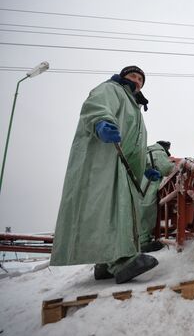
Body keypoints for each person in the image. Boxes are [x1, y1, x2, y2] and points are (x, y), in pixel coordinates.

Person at [51, 65, 162, 284]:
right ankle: (122, 261)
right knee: (109, 210)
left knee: (111, 212)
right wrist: (101, 122)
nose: (137, 80)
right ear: (123, 77)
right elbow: (95, 106)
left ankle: (103, 264)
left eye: (140, 78)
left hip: (122, 165)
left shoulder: (136, 109)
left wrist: (144, 169)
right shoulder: (112, 89)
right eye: (133, 76)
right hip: (104, 158)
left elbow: (135, 146)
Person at [139, 140, 176, 252]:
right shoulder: (158, 152)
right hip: (149, 186)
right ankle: (143, 242)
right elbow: (167, 169)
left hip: (141, 186)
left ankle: (137, 240)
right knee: (147, 212)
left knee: (139, 213)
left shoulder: (145, 152)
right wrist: (174, 164)